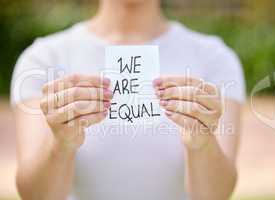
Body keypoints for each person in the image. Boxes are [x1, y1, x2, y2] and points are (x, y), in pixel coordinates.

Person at [11, 0, 245, 199]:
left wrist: (202, 143)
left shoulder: (215, 58)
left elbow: (217, 195)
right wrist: (60, 144)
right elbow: (34, 195)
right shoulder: (42, 59)